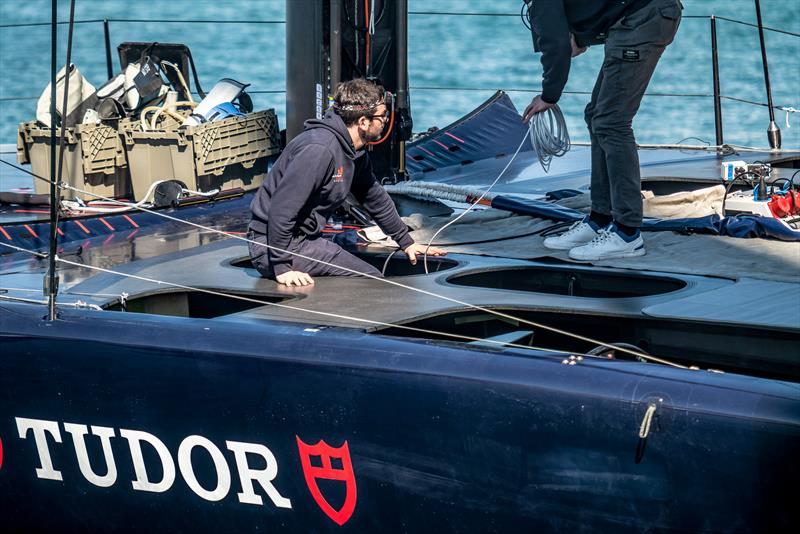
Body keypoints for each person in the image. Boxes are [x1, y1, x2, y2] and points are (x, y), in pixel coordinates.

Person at [522, 0, 682, 260]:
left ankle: (627, 233)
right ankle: (600, 218)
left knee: (612, 122)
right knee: (597, 115)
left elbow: (557, 45)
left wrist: (548, 96)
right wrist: (581, 36)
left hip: (641, 19)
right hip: (634, 19)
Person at [248, 78, 445, 286]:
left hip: (302, 240)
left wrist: (406, 242)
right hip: (272, 247)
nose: (386, 120)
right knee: (373, 281)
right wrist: (282, 267)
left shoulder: (353, 150)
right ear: (363, 122)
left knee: (369, 275)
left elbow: (374, 198)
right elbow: (282, 208)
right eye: (383, 116)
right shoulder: (320, 150)